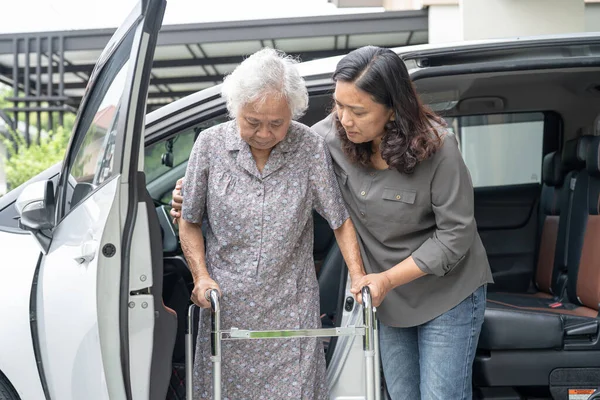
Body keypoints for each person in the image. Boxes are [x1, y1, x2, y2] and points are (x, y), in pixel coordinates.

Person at [172, 45, 494, 400]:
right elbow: (215, 190)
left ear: (392, 111)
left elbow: (456, 235)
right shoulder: (329, 136)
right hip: (388, 296)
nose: (344, 119)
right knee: (402, 395)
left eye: (357, 110)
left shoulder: (438, 147)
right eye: (339, 106)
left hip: (445, 291)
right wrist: (189, 196)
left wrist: (378, 278)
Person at [177, 48, 365, 400]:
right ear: (235, 109)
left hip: (290, 312)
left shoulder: (308, 147)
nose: (265, 132)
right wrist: (201, 276)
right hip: (226, 309)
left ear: (292, 113)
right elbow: (189, 220)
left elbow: (339, 220)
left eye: (277, 123)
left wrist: (357, 276)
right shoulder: (210, 145)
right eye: (252, 121)